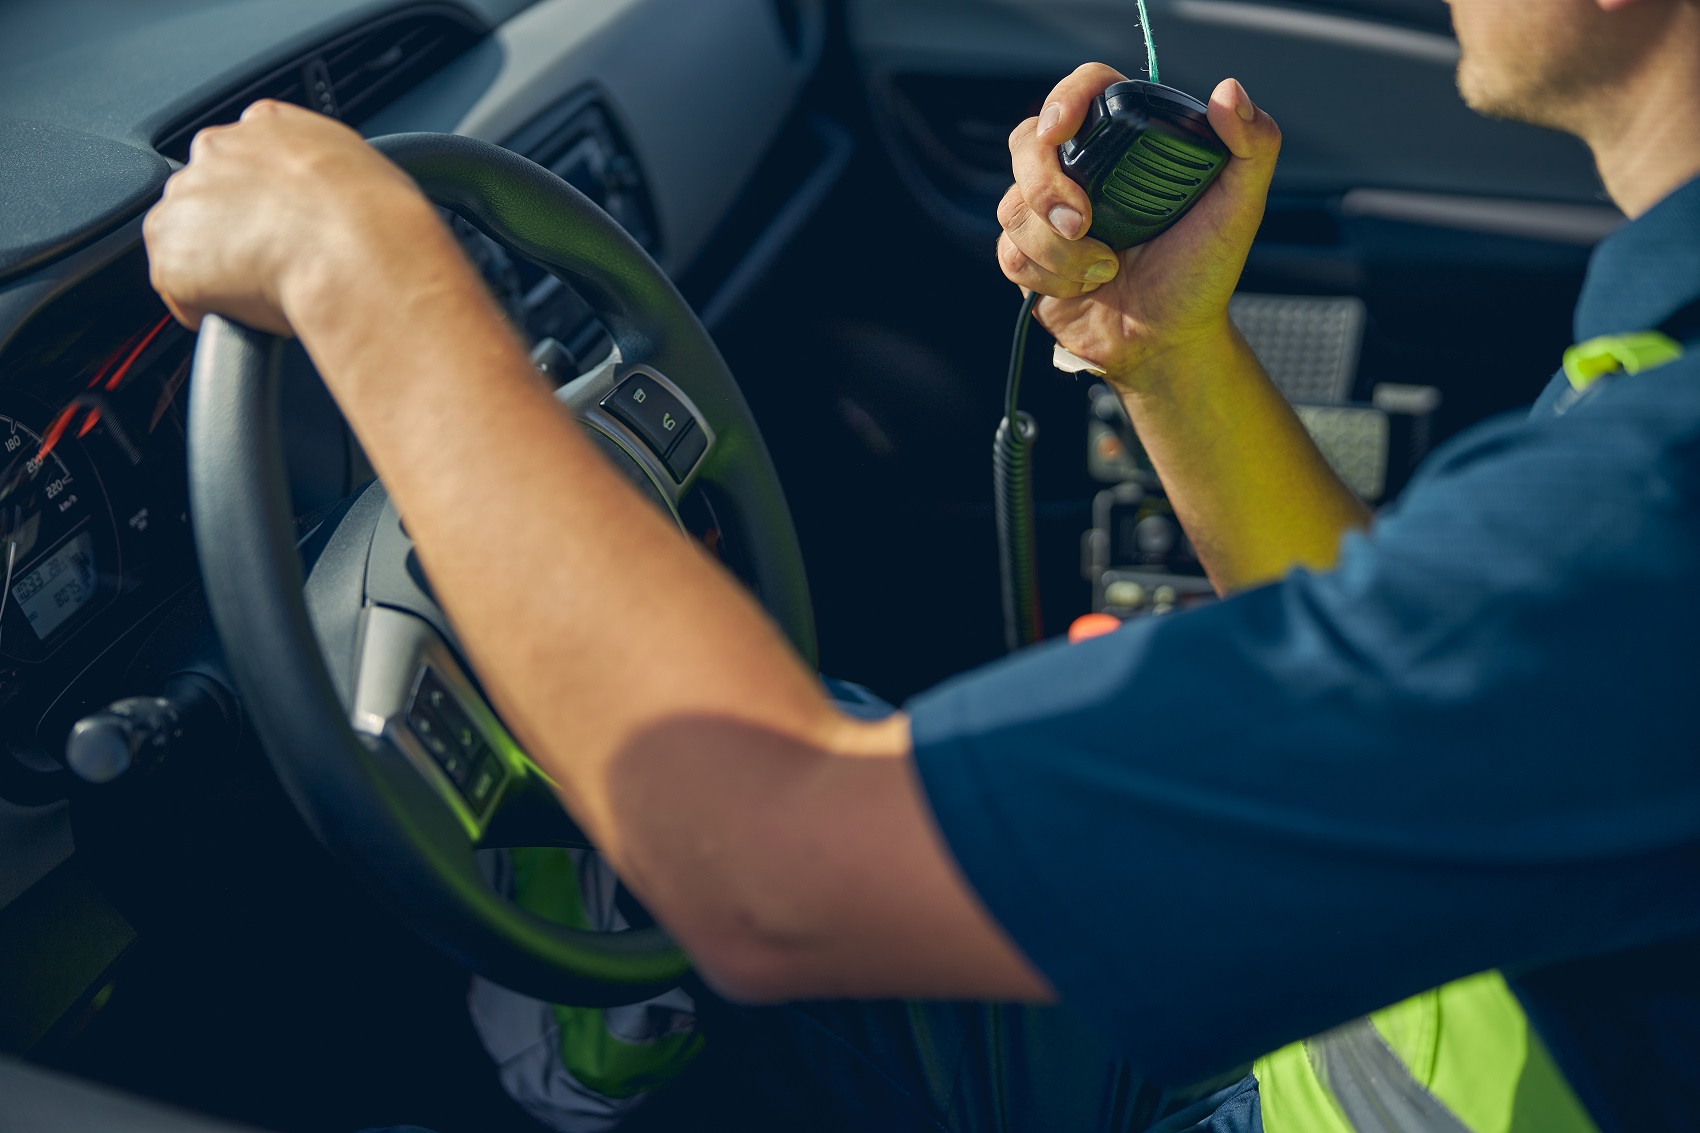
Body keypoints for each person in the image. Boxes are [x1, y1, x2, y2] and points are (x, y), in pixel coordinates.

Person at [143, 0, 1700, 1127]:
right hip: (1305, 1010)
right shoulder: (1658, 390)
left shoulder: (1653, 508)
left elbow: (768, 872)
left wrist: (366, 273)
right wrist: (1166, 353)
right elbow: (1455, 731)